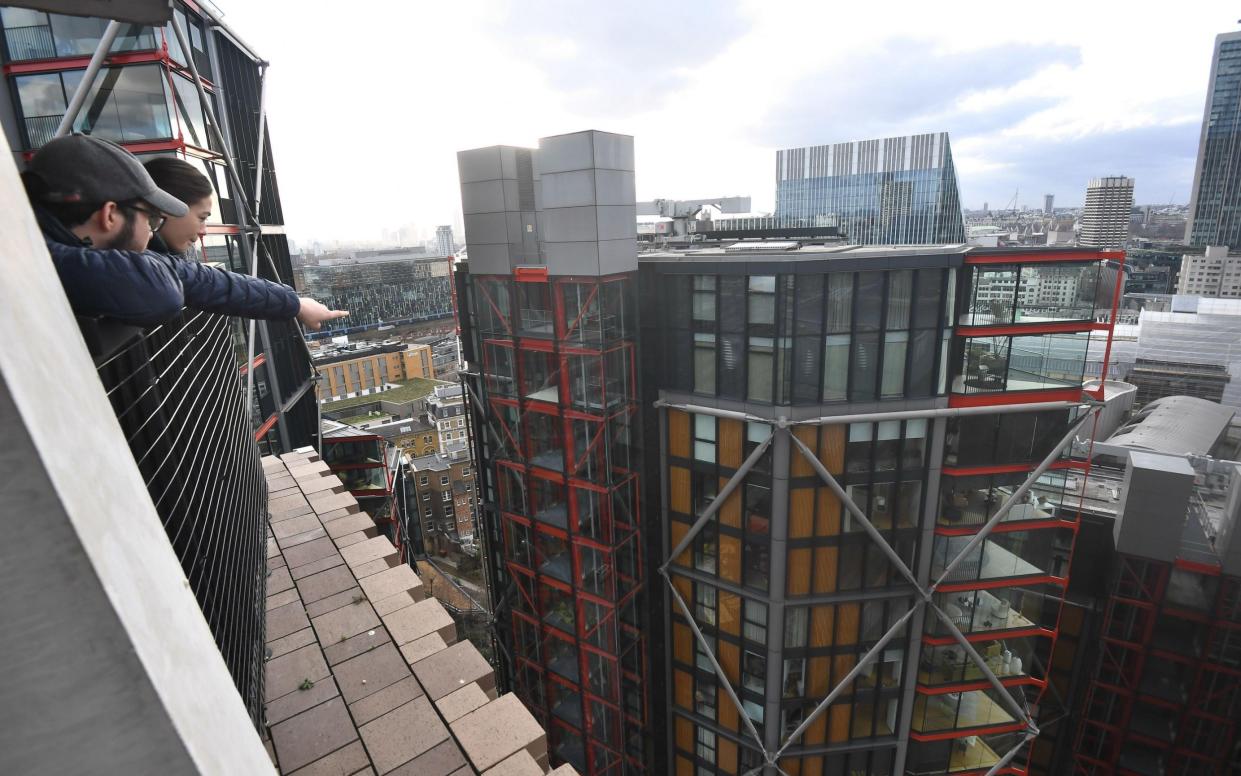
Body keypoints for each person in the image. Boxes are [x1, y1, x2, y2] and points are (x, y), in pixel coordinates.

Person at [22, 134, 347, 330]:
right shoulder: (31, 260)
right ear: (109, 215)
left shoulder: (40, 246)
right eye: (150, 218)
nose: (152, 232)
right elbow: (158, 290)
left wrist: (292, 303)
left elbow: (194, 278)